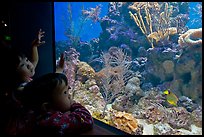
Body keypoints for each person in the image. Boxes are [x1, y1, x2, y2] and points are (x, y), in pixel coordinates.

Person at [19, 73, 94, 135]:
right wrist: (75, 105)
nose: (69, 95)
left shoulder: (32, 112)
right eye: (65, 92)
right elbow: (86, 120)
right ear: (47, 106)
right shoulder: (53, 122)